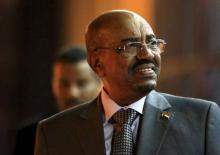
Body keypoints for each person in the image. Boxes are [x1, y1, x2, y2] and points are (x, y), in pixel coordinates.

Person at [34, 10, 220, 155]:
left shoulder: (201, 120)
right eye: (131, 46)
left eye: (153, 43)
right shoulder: (54, 132)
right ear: (97, 62)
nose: (147, 54)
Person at [14, 46, 101, 155]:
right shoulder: (31, 135)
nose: (72, 93)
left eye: (81, 83)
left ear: (99, 84)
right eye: (64, 84)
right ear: (53, 85)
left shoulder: (113, 131)